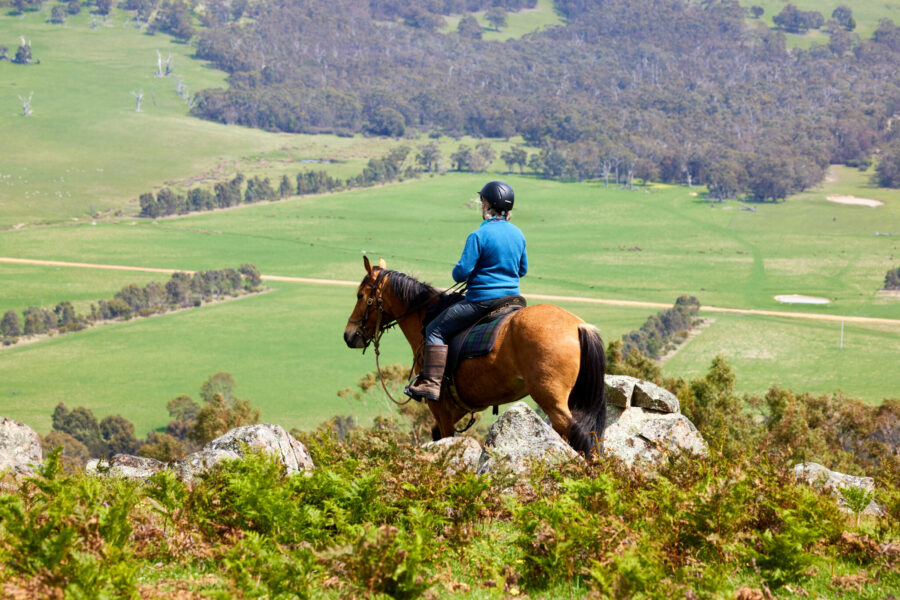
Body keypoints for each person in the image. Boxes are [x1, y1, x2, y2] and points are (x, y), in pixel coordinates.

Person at [405, 180, 528, 402]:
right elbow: (523, 269)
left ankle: (432, 384)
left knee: (435, 330)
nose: (482, 205)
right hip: (513, 300)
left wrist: (470, 272)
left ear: (488, 205)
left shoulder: (478, 236)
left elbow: (461, 274)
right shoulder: (519, 234)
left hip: (482, 301)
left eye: (483, 201)